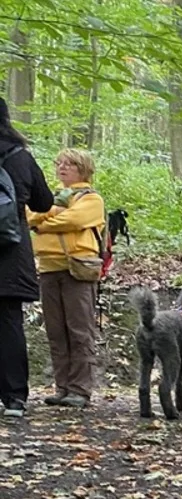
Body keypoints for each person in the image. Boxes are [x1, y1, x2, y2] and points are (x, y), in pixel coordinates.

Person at [27, 148, 104, 409]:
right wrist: (47, 216)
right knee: (56, 331)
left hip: (78, 269)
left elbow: (76, 219)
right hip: (49, 268)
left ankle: (80, 389)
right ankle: (62, 387)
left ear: (83, 168)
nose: (62, 168)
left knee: (80, 330)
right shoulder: (50, 197)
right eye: (59, 163)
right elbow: (29, 216)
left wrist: (45, 221)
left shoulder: (91, 198)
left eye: (69, 164)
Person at [0, 97, 53, 418]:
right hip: (10, 251)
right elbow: (44, 203)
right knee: (9, 323)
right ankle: (15, 399)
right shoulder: (20, 157)